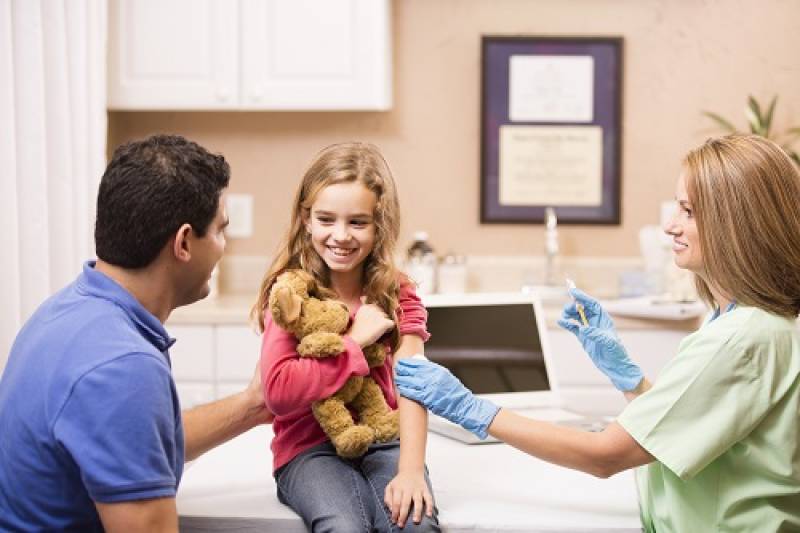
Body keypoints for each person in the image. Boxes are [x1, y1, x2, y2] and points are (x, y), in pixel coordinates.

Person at [394, 134, 800, 532]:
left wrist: (470, 409)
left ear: (737, 225)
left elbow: (605, 456)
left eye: (688, 211)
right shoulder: (744, 320)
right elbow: (677, 428)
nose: (670, 226)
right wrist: (629, 377)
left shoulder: (742, 338)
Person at [0, 135, 272, 531]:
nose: (223, 246)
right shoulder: (122, 367)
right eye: (219, 230)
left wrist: (254, 404)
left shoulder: (69, 311)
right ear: (183, 242)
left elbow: (136, 443)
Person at [253, 142, 440, 532]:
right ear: (305, 219)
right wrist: (353, 343)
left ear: (380, 225)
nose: (340, 236)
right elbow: (279, 392)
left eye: (358, 222)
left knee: (416, 524)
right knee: (345, 526)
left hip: (385, 442)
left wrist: (410, 471)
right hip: (308, 451)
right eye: (326, 220)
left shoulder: (398, 292)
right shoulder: (291, 293)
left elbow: (414, 385)